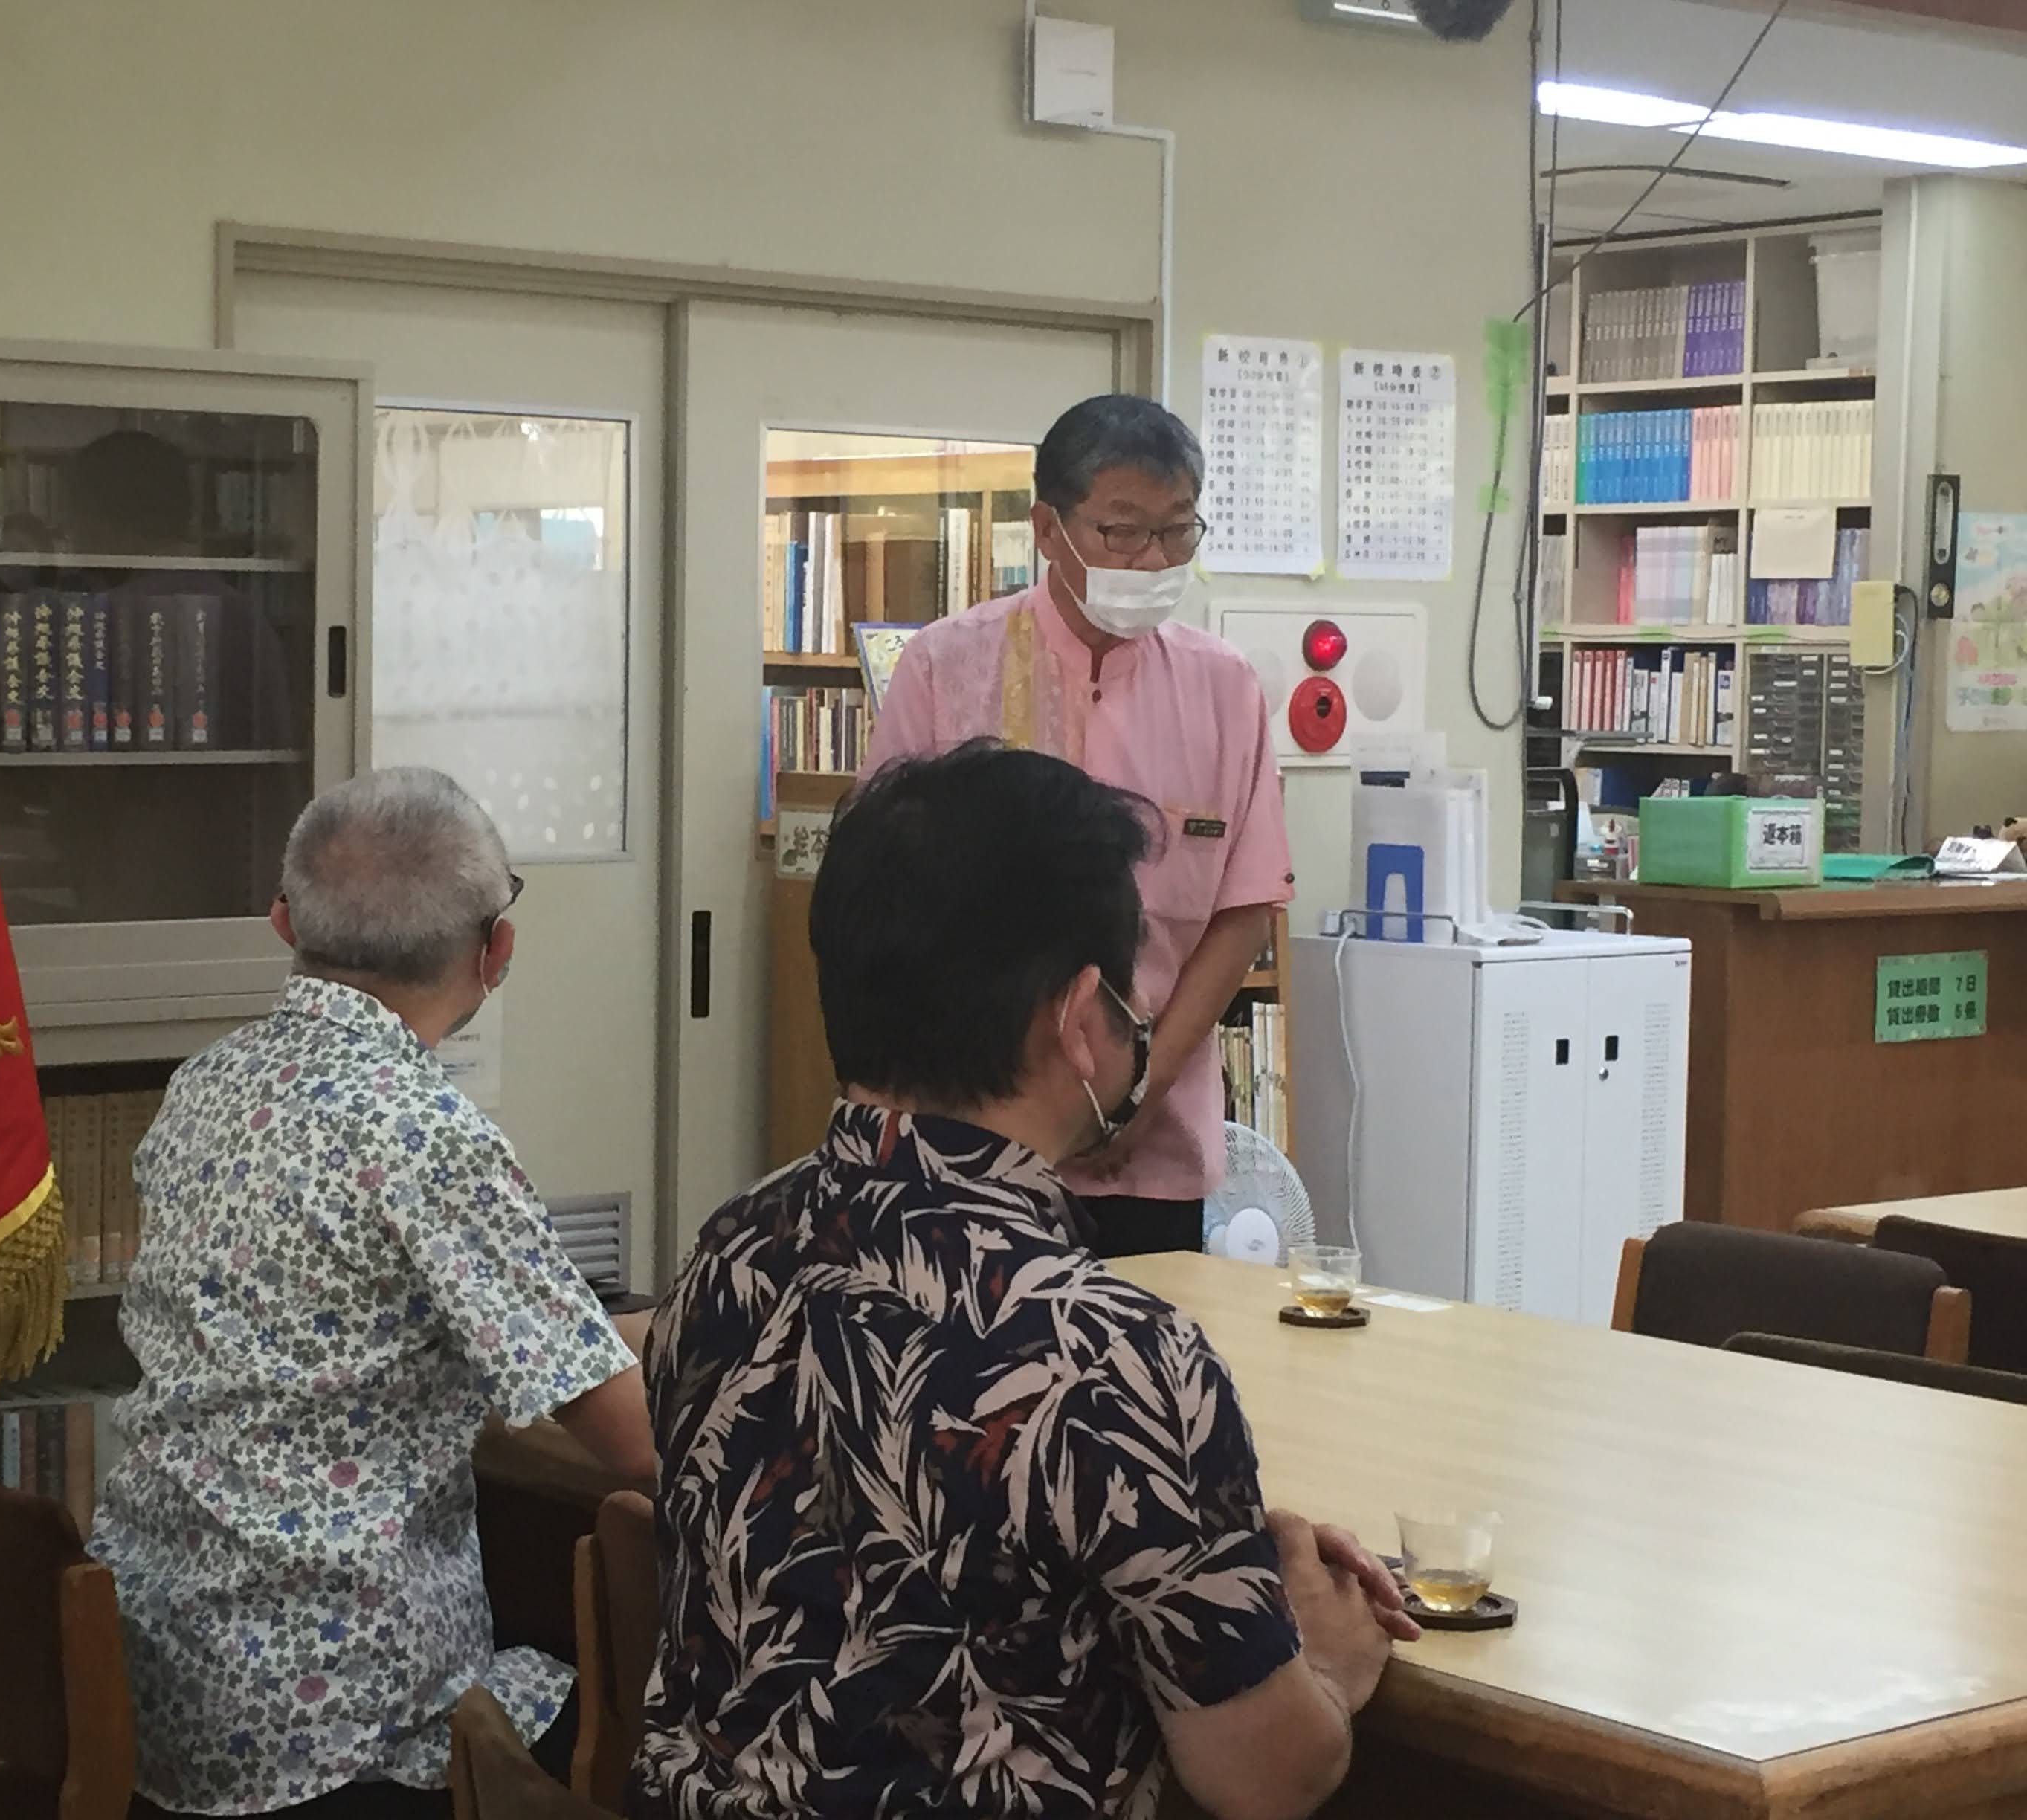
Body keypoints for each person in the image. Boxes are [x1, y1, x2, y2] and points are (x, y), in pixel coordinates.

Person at [633, 743, 1416, 1820]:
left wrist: (1208, 1541)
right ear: (1082, 1016)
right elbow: (1267, 1779)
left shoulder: (724, 1258)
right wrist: (1325, 1661)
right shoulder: (1114, 1359)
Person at [90, 767, 654, 1819]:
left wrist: (629, 1329)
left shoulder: (205, 1082)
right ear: (498, 950)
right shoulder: (427, 1136)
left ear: (283, 921)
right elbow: (633, 1442)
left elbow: (349, 1332)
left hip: (157, 1667)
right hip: (341, 1730)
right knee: (653, 1694)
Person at [862, 394, 1288, 1257]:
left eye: (1177, 533)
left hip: (1151, 1146)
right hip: (968, 1133)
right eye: (1122, 532)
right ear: (1048, 529)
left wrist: (1137, 1090)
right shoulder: (947, 667)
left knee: (1131, 1374)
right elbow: (886, 898)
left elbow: (1243, 908)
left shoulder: (1225, 687)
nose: (1153, 558)